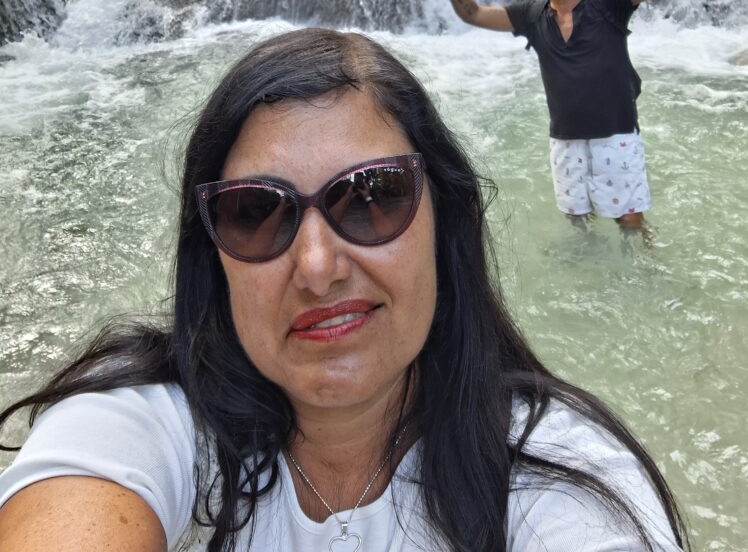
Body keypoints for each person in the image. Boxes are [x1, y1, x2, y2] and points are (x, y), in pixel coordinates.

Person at [0, 28, 689, 552]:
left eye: (373, 197)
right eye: (255, 211)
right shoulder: (144, 423)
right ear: (212, 256)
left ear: (441, 220)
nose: (319, 265)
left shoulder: (561, 473)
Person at [437, 0, 675, 234]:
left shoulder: (610, 0)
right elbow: (474, 13)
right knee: (577, 220)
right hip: (565, 139)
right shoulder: (532, 16)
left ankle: (644, 274)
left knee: (630, 220)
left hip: (616, 133)